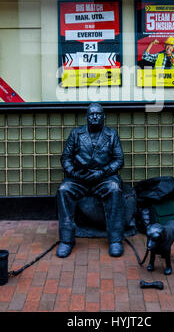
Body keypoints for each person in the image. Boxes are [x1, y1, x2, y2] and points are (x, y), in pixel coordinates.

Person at [56, 103, 125, 258]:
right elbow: (65, 158)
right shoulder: (76, 134)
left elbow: (119, 160)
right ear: (86, 117)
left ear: (104, 116)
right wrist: (75, 173)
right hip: (80, 178)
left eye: (98, 114)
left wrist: (102, 172)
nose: (95, 117)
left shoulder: (111, 134)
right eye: (91, 114)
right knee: (63, 190)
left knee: (114, 189)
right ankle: (66, 240)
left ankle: (115, 239)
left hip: (103, 178)